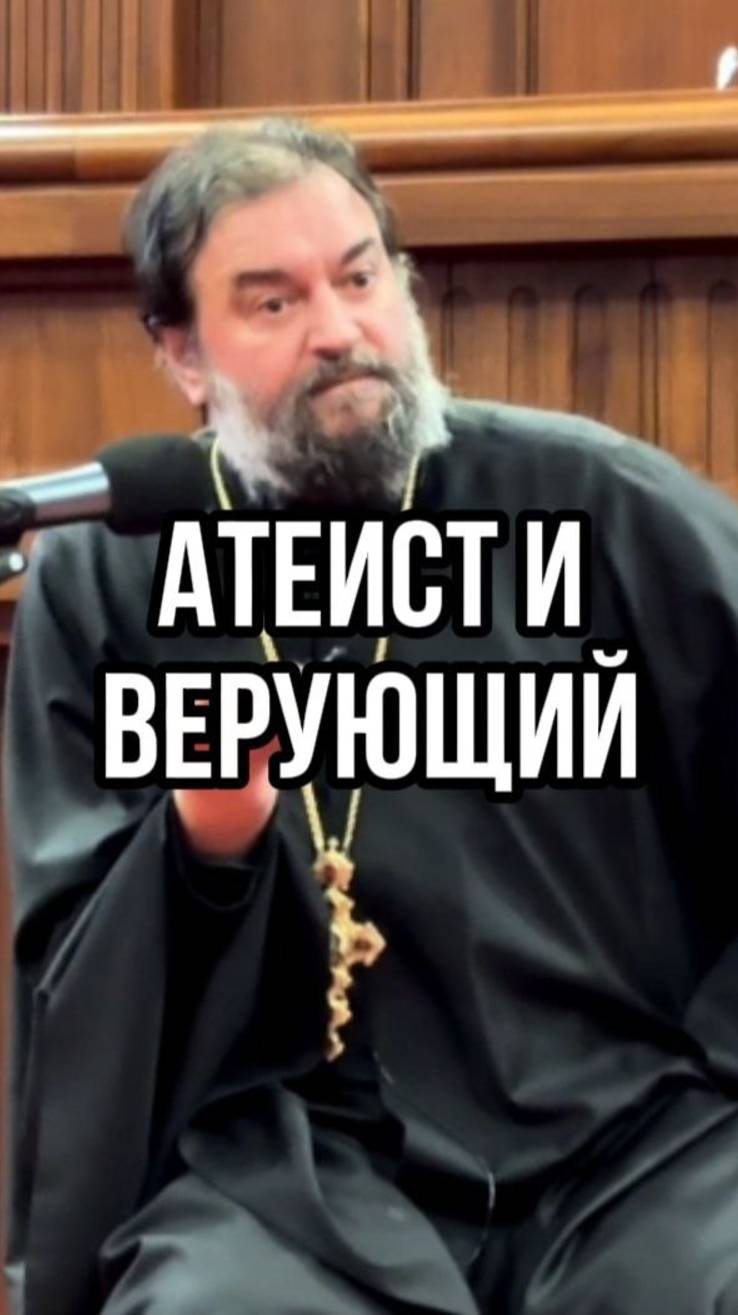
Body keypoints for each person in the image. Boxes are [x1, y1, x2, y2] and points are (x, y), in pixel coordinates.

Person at [3, 116, 738, 1315]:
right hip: (293, 1177)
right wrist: (204, 845)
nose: (340, 330)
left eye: (359, 278)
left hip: (634, 1141)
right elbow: (79, 990)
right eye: (275, 302)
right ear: (184, 354)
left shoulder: (601, 504)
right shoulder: (110, 576)